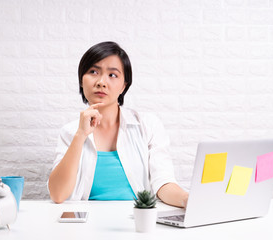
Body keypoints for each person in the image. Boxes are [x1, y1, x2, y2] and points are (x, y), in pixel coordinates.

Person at [48, 41, 188, 207]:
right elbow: (58, 194)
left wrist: (188, 200)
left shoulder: (147, 125)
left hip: (137, 222)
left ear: (124, 86)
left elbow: (163, 183)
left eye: (112, 75)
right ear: (81, 80)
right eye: (93, 72)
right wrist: (80, 135)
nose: (101, 82)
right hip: (85, 225)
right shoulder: (70, 132)